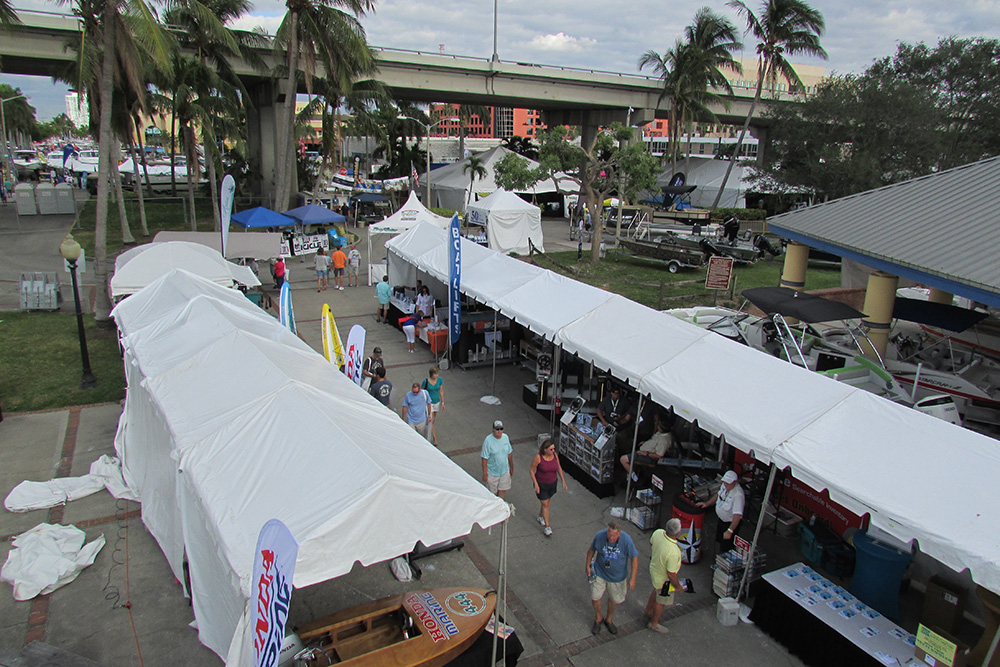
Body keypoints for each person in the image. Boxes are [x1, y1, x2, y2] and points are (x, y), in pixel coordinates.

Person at [586, 520, 638, 635]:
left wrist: (633, 578)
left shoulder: (626, 540)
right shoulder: (600, 536)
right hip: (600, 573)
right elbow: (591, 550)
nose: (611, 537)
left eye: (614, 535)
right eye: (609, 534)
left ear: (619, 534)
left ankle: (609, 619)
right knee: (595, 597)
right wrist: (588, 565)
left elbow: (634, 558)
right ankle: (598, 618)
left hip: (617, 577)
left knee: (614, 599)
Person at [646, 518, 686, 634]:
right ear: (678, 533)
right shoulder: (674, 552)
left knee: (656, 590)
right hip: (664, 580)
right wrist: (678, 586)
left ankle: (648, 609)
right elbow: (671, 574)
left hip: (654, 569)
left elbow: (651, 543)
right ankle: (654, 623)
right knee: (662, 600)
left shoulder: (658, 533)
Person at [697, 470, 744, 553]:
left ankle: (723, 559)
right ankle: (717, 556)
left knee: (726, 545)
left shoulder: (738, 495)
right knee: (719, 539)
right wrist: (707, 503)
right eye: (725, 482)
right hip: (721, 520)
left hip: (730, 523)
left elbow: (737, 516)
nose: (725, 485)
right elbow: (718, 495)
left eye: (728, 483)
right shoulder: (724, 486)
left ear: (734, 482)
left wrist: (730, 530)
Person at [529, 438, 567, 537]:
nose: (553, 451)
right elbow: (531, 470)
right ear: (545, 449)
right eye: (551, 449)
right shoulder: (538, 457)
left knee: (547, 502)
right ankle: (547, 526)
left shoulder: (555, 456)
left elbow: (558, 467)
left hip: (552, 483)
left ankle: (541, 516)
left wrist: (563, 480)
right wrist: (536, 484)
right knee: (545, 504)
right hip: (541, 484)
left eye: (554, 449)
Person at [596, 385, 634, 454]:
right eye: (615, 394)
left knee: (619, 445)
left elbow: (629, 412)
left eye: (618, 394)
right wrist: (603, 420)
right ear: (611, 393)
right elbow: (599, 410)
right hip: (608, 426)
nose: (616, 396)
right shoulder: (606, 399)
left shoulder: (624, 401)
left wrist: (621, 417)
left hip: (620, 428)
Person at [481, 420, 513, 498]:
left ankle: (500, 507)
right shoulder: (488, 440)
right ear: (493, 430)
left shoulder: (505, 437)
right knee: (492, 495)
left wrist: (511, 467)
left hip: (504, 471)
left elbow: (509, 454)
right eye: (497, 429)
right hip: (492, 473)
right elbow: (484, 458)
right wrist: (485, 473)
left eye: (501, 429)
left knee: (502, 491)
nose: (499, 431)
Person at [421, 367, 445, 446]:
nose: (437, 376)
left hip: (436, 402)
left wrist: (442, 402)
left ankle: (430, 434)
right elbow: (422, 391)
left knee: (433, 420)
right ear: (432, 374)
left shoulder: (439, 380)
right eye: (435, 374)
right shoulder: (426, 381)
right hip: (429, 403)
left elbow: (441, 391)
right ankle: (434, 438)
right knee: (430, 420)